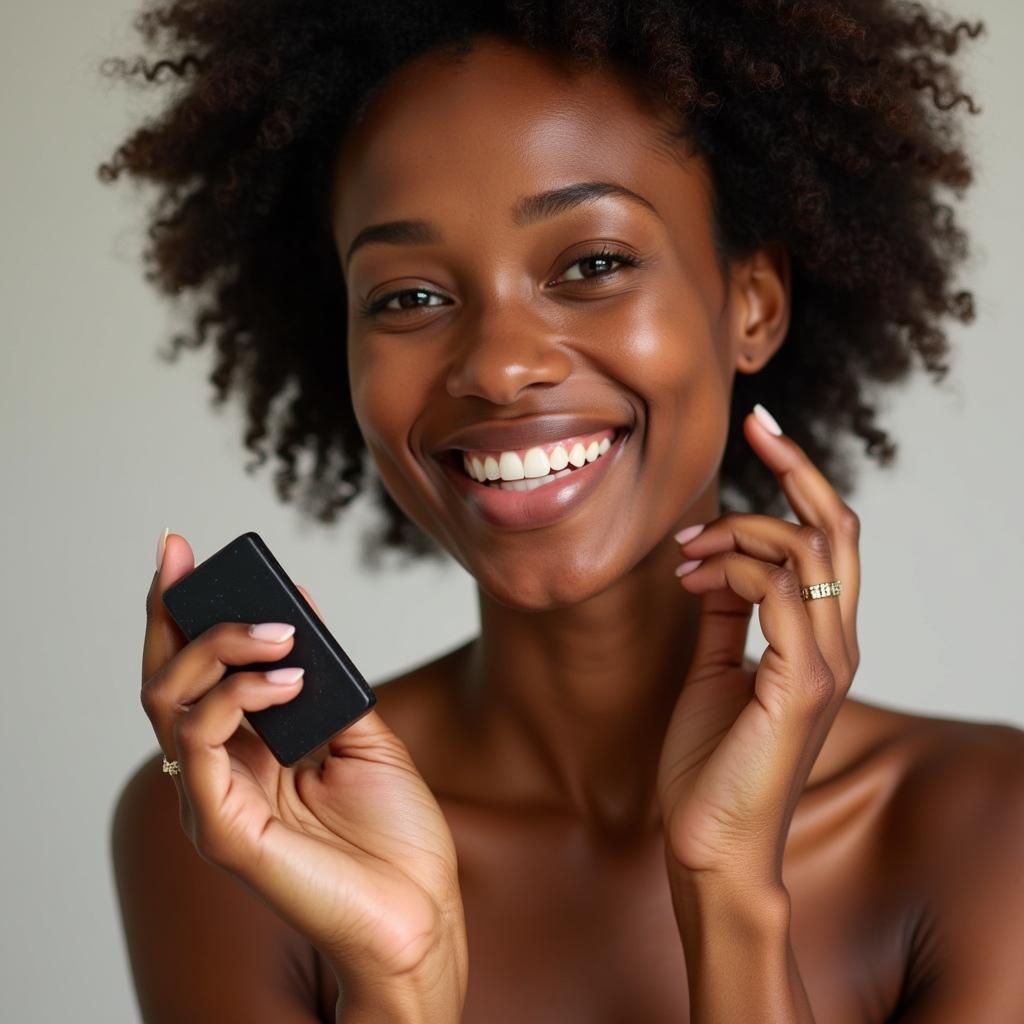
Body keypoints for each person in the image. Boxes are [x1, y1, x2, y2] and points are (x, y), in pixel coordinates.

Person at [104, 3, 1024, 1021]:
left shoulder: (985, 825)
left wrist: (729, 895)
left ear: (752, 303)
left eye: (590, 265)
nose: (498, 367)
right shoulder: (244, 824)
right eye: (407, 297)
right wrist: (400, 977)